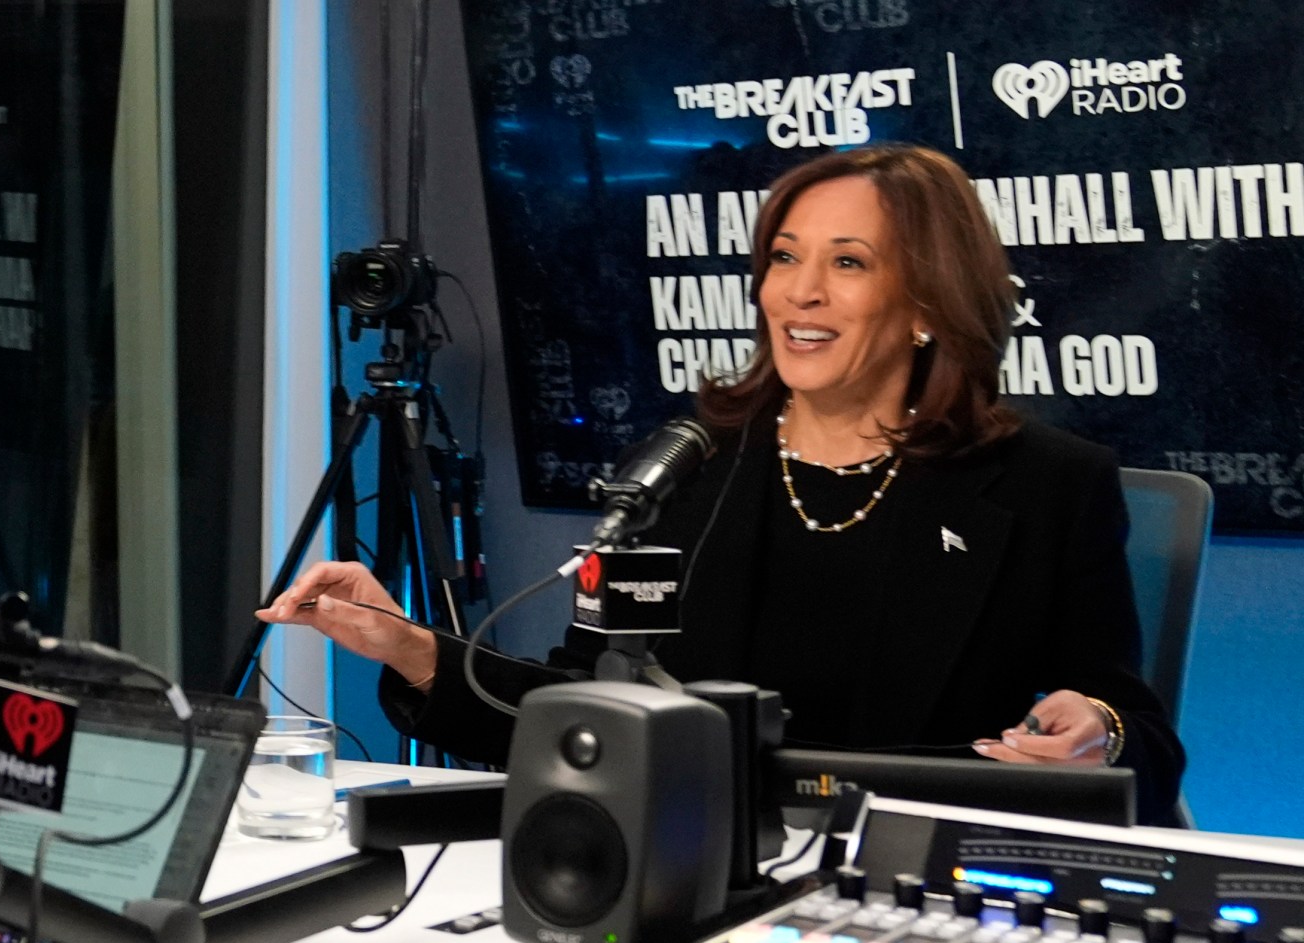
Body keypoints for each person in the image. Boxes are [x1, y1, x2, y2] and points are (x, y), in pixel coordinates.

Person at [260, 143, 1184, 817]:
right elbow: (582, 709)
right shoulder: (685, 467)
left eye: (848, 263)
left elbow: (1138, 736)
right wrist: (409, 646)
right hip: (704, 862)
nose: (798, 292)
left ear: (929, 307)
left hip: (929, 873)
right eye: (785, 258)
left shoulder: (1048, 484)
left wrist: (1095, 726)